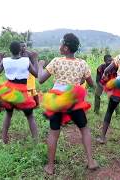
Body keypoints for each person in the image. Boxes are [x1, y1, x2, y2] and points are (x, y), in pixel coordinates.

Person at [38, 33, 98, 175]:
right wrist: (81, 80)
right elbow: (90, 83)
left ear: (65, 48)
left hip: (57, 100)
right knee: (84, 129)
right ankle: (90, 161)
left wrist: (40, 65)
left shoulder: (56, 61)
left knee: (54, 132)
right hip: (73, 100)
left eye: (61, 44)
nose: (59, 46)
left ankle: (50, 167)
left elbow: (40, 79)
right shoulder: (82, 63)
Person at [0, 41, 39, 144]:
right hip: (21, 90)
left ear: (10, 50)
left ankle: (4, 139)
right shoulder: (26, 61)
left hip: (9, 91)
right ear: (21, 50)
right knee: (30, 116)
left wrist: (0, 58)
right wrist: (35, 58)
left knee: (8, 114)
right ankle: (36, 142)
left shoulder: (5, 60)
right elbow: (36, 74)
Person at [20, 42, 40, 108]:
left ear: (26, 46)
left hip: (30, 74)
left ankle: (35, 104)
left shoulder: (29, 54)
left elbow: (34, 64)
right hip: (22, 75)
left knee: (31, 90)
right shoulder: (18, 54)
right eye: (21, 46)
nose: (23, 48)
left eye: (24, 46)